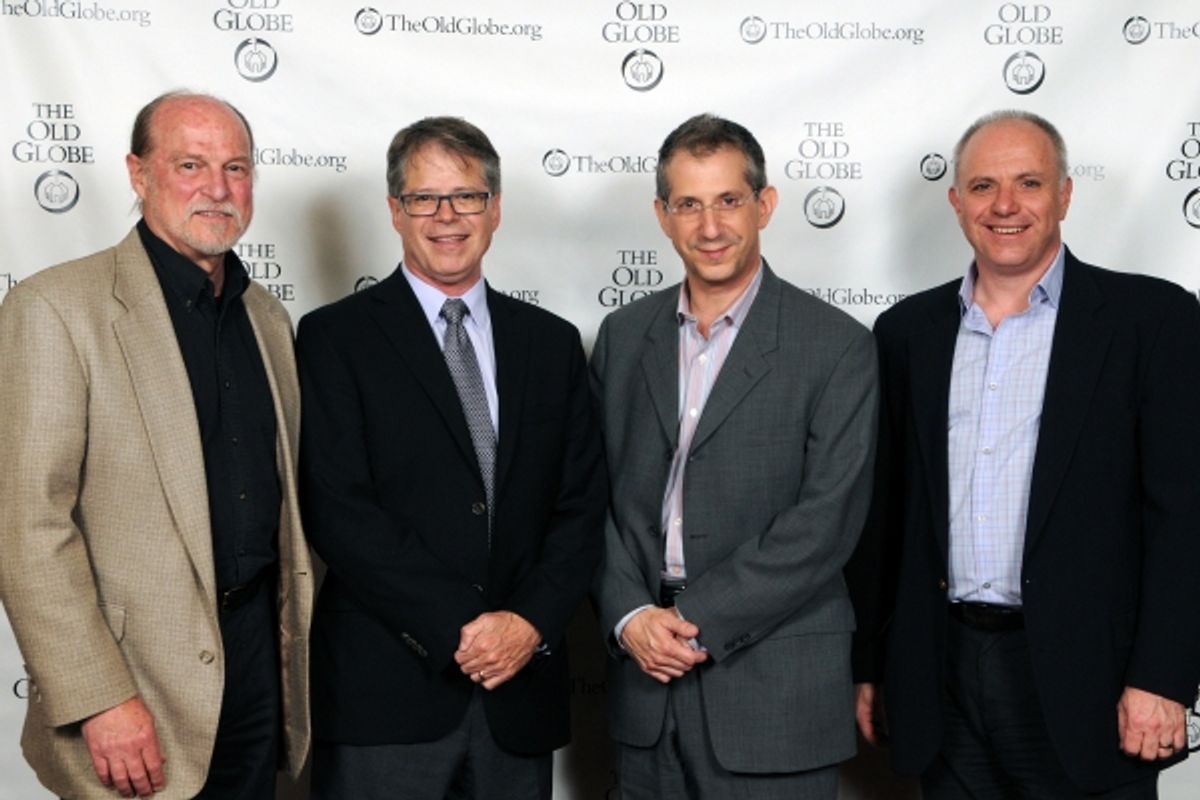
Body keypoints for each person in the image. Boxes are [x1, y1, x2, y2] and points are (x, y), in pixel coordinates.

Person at [849, 109, 1200, 798]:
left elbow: (1185, 515)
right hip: (940, 672)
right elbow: (885, 518)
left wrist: (1163, 676)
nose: (1004, 205)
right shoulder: (906, 332)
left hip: (1090, 681)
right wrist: (873, 665)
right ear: (956, 203)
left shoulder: (1153, 321)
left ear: (1064, 194)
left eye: (1028, 182)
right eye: (982, 186)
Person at [0, 91, 313, 800]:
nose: (217, 189)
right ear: (138, 174)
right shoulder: (57, 308)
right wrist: (97, 698)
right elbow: (27, 528)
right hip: (134, 683)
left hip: (260, 664)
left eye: (236, 168)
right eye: (190, 164)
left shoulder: (266, 318)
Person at [296, 116, 606, 800]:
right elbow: (338, 508)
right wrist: (461, 630)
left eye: (466, 196)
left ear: (494, 210)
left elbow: (582, 507)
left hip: (517, 699)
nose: (446, 216)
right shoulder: (334, 338)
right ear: (394, 211)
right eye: (424, 198)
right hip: (387, 695)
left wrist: (526, 623)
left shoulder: (551, 345)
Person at [590, 113, 878, 799]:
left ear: (765, 205)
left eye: (728, 200)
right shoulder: (624, 336)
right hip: (644, 686)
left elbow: (826, 523)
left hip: (774, 695)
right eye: (688, 203)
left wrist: (694, 622)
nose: (709, 226)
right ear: (662, 215)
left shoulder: (836, 346)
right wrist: (631, 616)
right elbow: (591, 499)